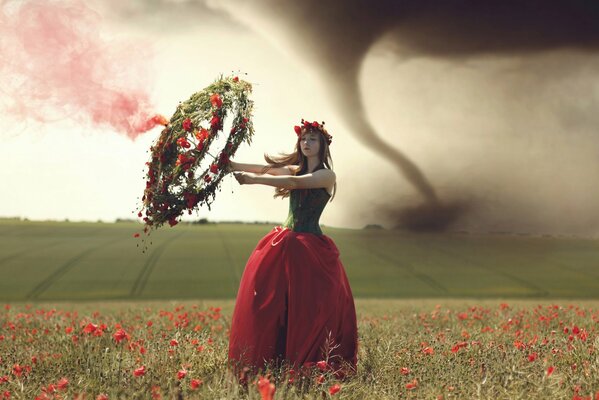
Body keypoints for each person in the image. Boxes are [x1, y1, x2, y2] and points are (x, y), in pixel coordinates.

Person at [227, 119, 358, 380]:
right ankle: (269, 362)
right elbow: (268, 168)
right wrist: (230, 164)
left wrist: (253, 180)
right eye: (303, 139)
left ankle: (307, 365)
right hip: (285, 245)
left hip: (311, 250)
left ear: (323, 145)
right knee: (271, 303)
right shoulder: (296, 169)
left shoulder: (326, 175)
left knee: (310, 308)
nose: (306, 143)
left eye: (312, 139)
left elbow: (296, 183)